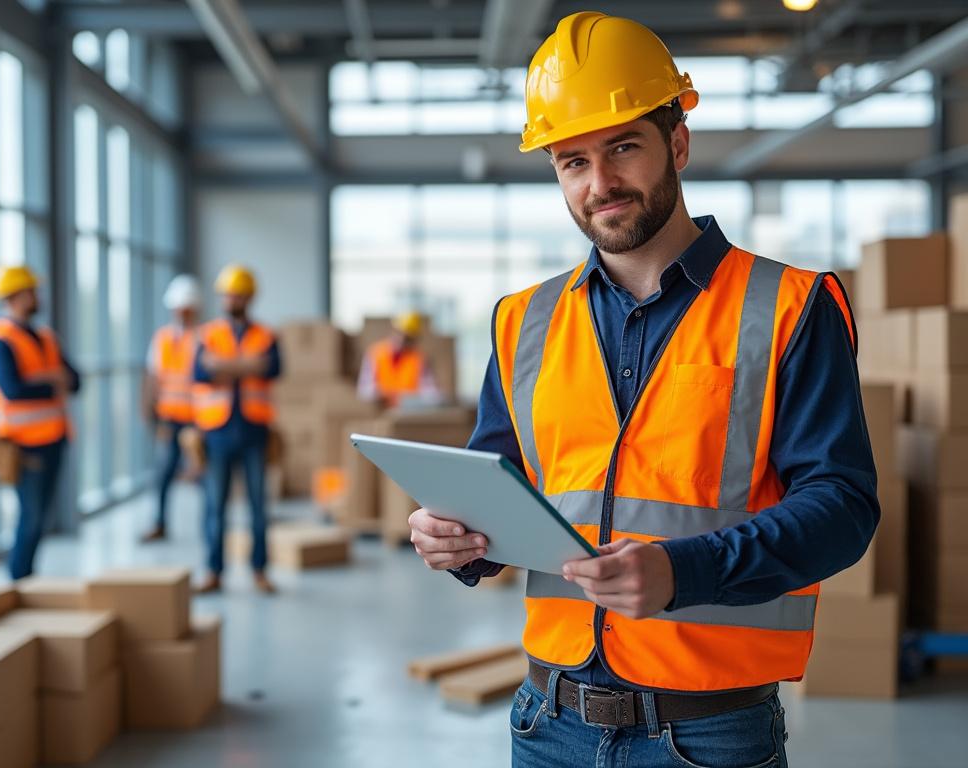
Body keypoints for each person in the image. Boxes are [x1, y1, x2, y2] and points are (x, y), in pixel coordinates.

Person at [408, 13, 879, 768]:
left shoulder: (790, 308)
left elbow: (843, 508)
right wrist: (456, 540)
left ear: (678, 145)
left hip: (709, 733)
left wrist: (683, 571)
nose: (600, 184)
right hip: (546, 723)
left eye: (623, 147)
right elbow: (505, 490)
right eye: (573, 161)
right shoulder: (521, 322)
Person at [0, 265, 80, 580]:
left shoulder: (46, 337)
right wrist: (53, 381)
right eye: (31, 291)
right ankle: (18, 579)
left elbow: (75, 380)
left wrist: (47, 380)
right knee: (31, 516)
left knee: (42, 516)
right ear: (14, 296)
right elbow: (13, 390)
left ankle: (26, 577)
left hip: (54, 437)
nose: (37, 296)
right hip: (22, 444)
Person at [192, 265, 281, 594]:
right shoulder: (208, 334)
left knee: (258, 508)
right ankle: (214, 571)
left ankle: (259, 570)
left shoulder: (266, 335)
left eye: (239, 295)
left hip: (254, 431)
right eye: (229, 295)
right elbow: (200, 373)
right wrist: (247, 366)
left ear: (249, 298)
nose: (233, 300)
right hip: (217, 433)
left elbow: (272, 368)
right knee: (215, 507)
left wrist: (223, 366)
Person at [140, 275, 203, 543]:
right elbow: (153, 377)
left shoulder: (203, 338)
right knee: (163, 472)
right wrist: (150, 414)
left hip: (197, 419)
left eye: (187, 308)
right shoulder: (162, 338)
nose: (182, 312)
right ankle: (159, 522)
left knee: (202, 473)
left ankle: (208, 526)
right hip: (169, 418)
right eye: (179, 308)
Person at [357, 311, 439, 407]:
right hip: (381, 409)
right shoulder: (375, 354)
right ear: (392, 331)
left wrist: (408, 398)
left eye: (408, 337)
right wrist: (382, 394)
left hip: (411, 410)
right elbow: (364, 391)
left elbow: (430, 392)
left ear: (414, 339)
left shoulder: (419, 359)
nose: (402, 339)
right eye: (400, 333)